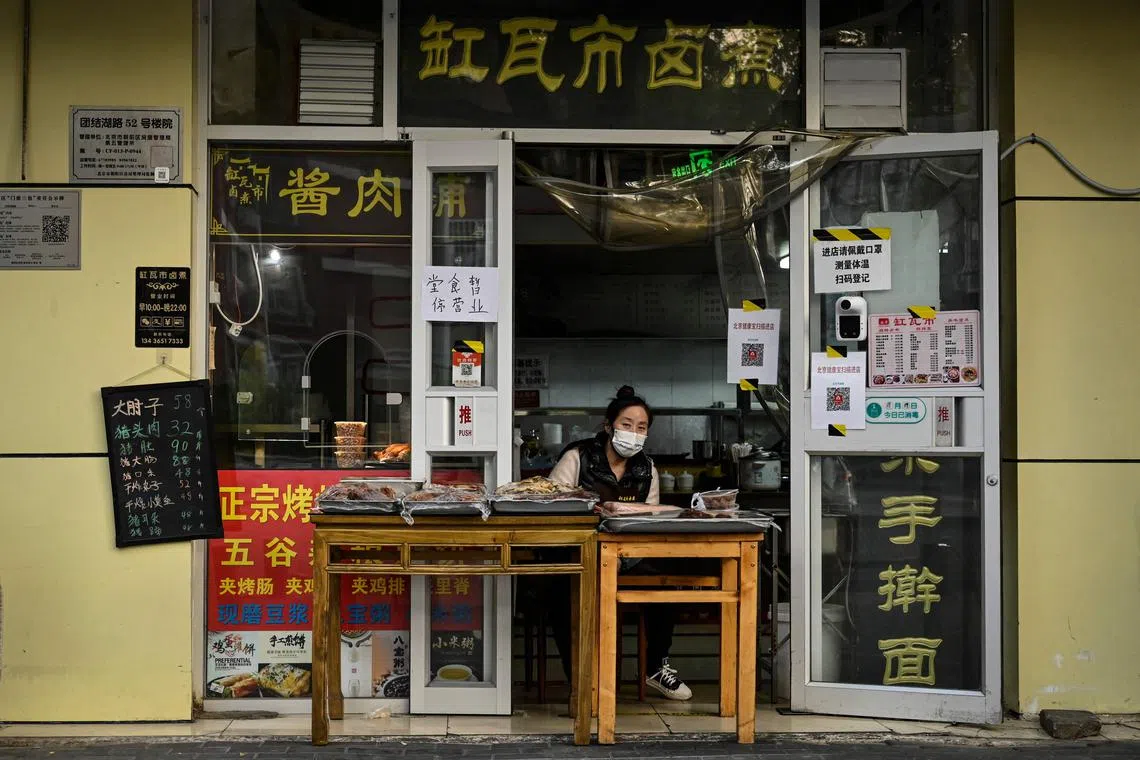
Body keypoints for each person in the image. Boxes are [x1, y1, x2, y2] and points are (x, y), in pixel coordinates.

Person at [546, 386, 692, 701]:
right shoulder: (578, 456)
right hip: (577, 552)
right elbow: (551, 505)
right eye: (627, 425)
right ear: (609, 425)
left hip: (626, 555)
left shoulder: (645, 469)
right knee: (562, 592)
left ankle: (655, 667)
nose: (634, 433)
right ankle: (582, 680)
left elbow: (649, 520)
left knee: (667, 582)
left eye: (641, 428)